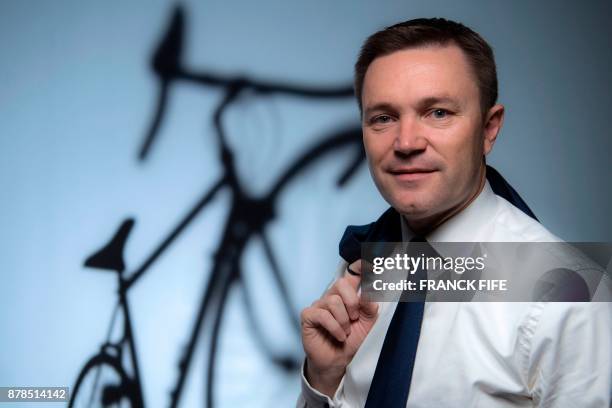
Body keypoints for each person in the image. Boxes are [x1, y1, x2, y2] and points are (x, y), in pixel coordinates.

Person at [297, 18, 611, 407]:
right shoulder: (363, 270)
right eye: (383, 118)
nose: (407, 142)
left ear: (488, 129)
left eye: (438, 113)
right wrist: (322, 382)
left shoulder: (571, 295)